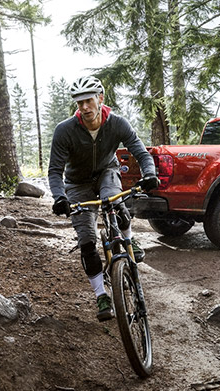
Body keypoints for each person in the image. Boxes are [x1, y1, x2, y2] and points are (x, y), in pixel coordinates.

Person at [48, 75, 159, 321]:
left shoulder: (117, 123)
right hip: (77, 183)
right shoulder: (65, 130)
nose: (84, 107)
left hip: (108, 172)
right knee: (87, 241)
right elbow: (55, 171)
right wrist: (59, 197)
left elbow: (140, 151)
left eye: (88, 101)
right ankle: (101, 295)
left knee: (114, 202)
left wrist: (150, 174)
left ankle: (128, 242)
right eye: (79, 103)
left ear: (100, 98)